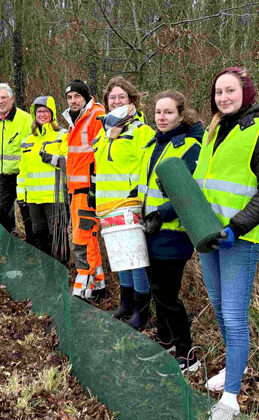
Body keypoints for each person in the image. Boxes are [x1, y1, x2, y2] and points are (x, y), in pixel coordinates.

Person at [194, 68, 259, 420]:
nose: (223, 97)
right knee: (218, 307)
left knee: (233, 315)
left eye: (230, 91)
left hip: (238, 239)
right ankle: (236, 365)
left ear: (245, 93)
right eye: (218, 91)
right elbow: (204, 184)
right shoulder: (214, 129)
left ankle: (230, 400)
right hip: (208, 237)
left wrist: (237, 227)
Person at [137, 90, 202, 372]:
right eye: (158, 113)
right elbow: (144, 186)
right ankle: (166, 344)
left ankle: (188, 356)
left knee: (167, 295)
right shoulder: (152, 145)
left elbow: (189, 193)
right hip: (147, 230)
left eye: (168, 113)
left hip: (173, 232)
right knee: (156, 291)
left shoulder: (190, 147)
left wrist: (161, 215)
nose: (161, 118)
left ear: (180, 114)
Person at [92, 76, 154, 326]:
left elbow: (148, 167)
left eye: (121, 97)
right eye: (112, 97)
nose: (116, 101)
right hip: (107, 207)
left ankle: (142, 309)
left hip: (129, 205)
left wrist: (138, 195)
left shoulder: (140, 130)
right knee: (120, 259)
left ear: (132, 100)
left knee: (136, 260)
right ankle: (126, 303)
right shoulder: (105, 133)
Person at [61, 79, 106, 302]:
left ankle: (82, 288)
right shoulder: (75, 120)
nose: (73, 101)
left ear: (86, 97)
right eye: (69, 98)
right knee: (88, 237)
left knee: (82, 239)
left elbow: (100, 155)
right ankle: (98, 283)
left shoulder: (95, 117)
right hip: (76, 189)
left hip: (87, 190)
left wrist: (95, 188)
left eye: (77, 96)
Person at [16, 95, 69, 262]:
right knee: (39, 233)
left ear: (52, 114)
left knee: (57, 235)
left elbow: (70, 163)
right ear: (34, 114)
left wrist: (52, 158)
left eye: (46, 111)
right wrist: (21, 195)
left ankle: (61, 270)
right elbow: (23, 171)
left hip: (56, 196)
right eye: (39, 111)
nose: (42, 115)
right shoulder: (27, 141)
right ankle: (47, 269)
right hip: (34, 198)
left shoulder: (63, 135)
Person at [0, 83, 34, 239]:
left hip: (23, 177)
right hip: (4, 176)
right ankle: (9, 240)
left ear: (12, 99)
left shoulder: (25, 119)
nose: (0, 102)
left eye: (3, 98)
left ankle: (32, 248)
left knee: (27, 216)